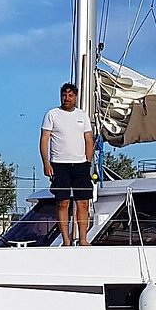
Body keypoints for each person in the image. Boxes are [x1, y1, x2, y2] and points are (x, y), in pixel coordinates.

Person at [39, 83, 95, 246]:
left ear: (75, 97)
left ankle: (84, 239)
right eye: (64, 95)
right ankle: (66, 240)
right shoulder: (52, 114)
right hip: (59, 164)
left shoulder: (82, 116)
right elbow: (44, 139)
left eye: (70, 95)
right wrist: (46, 163)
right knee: (63, 202)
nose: (67, 98)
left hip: (80, 164)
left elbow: (89, 140)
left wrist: (88, 162)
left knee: (83, 203)